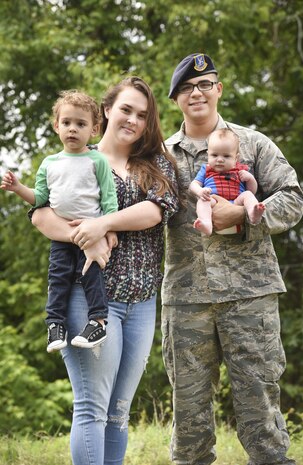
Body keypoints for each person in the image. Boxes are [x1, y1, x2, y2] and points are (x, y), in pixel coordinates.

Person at [161, 53, 303, 465]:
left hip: (251, 295)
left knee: (259, 406)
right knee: (188, 416)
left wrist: (243, 213)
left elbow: (293, 198)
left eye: (205, 85)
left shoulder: (253, 143)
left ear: (218, 89)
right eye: (187, 88)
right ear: (176, 99)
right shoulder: (162, 156)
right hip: (186, 299)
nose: (197, 93)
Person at [30, 76, 179, 465]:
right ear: (107, 110)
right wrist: (85, 237)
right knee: (92, 407)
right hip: (90, 298)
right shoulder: (78, 156)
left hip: (143, 301)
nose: (132, 119)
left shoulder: (155, 163)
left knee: (119, 411)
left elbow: (156, 210)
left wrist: (102, 224)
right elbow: (42, 214)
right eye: (125, 109)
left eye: (142, 115)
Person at [1, 90, 118, 353]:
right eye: (66, 123)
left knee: (91, 276)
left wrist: (109, 228)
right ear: (56, 126)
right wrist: (19, 188)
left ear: (95, 129)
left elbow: (109, 198)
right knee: (58, 278)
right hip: (60, 235)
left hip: (90, 233)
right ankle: (55, 324)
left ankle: (97, 321)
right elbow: (40, 198)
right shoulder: (49, 164)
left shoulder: (97, 160)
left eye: (81, 124)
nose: (72, 129)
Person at [189, 128, 265, 236]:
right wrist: (200, 191)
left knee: (247, 195)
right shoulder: (206, 169)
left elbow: (251, 191)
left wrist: (250, 179)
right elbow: (194, 184)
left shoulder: (240, 170)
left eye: (226, 156)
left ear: (236, 158)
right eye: (214, 155)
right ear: (208, 154)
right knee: (203, 201)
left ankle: (253, 214)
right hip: (214, 203)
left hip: (236, 203)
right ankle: (206, 223)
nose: (220, 159)